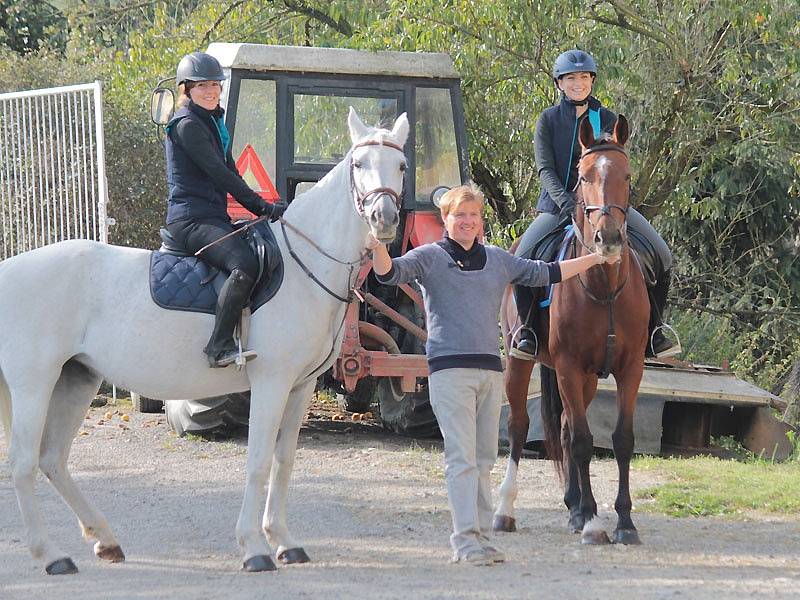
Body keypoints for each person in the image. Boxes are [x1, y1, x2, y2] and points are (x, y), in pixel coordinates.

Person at [368, 184, 618, 565]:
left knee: (485, 458)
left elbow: (547, 272)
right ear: (446, 221)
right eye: (459, 216)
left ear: (480, 221)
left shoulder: (498, 259)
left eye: (473, 216)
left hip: (488, 372)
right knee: (461, 459)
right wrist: (377, 244)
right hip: (450, 372)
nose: (466, 222)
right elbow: (389, 274)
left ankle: (482, 536)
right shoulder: (430, 257)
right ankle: (464, 540)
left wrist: (596, 259)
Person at [512, 49, 679, 360]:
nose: (579, 83)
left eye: (585, 77)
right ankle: (528, 331)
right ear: (559, 83)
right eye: (571, 78)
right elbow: (544, 168)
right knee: (522, 257)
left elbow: (614, 165)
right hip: (557, 206)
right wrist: (564, 201)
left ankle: (655, 330)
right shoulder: (547, 120)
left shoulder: (607, 119)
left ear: (592, 81)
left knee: (662, 253)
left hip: (607, 208)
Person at [163, 52, 287, 368]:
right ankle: (218, 347)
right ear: (186, 89)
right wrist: (261, 206)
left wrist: (266, 207)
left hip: (212, 216)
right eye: (201, 85)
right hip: (190, 220)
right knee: (244, 263)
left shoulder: (213, 123)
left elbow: (231, 170)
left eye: (215, 85)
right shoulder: (188, 125)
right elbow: (221, 174)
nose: (210, 91)